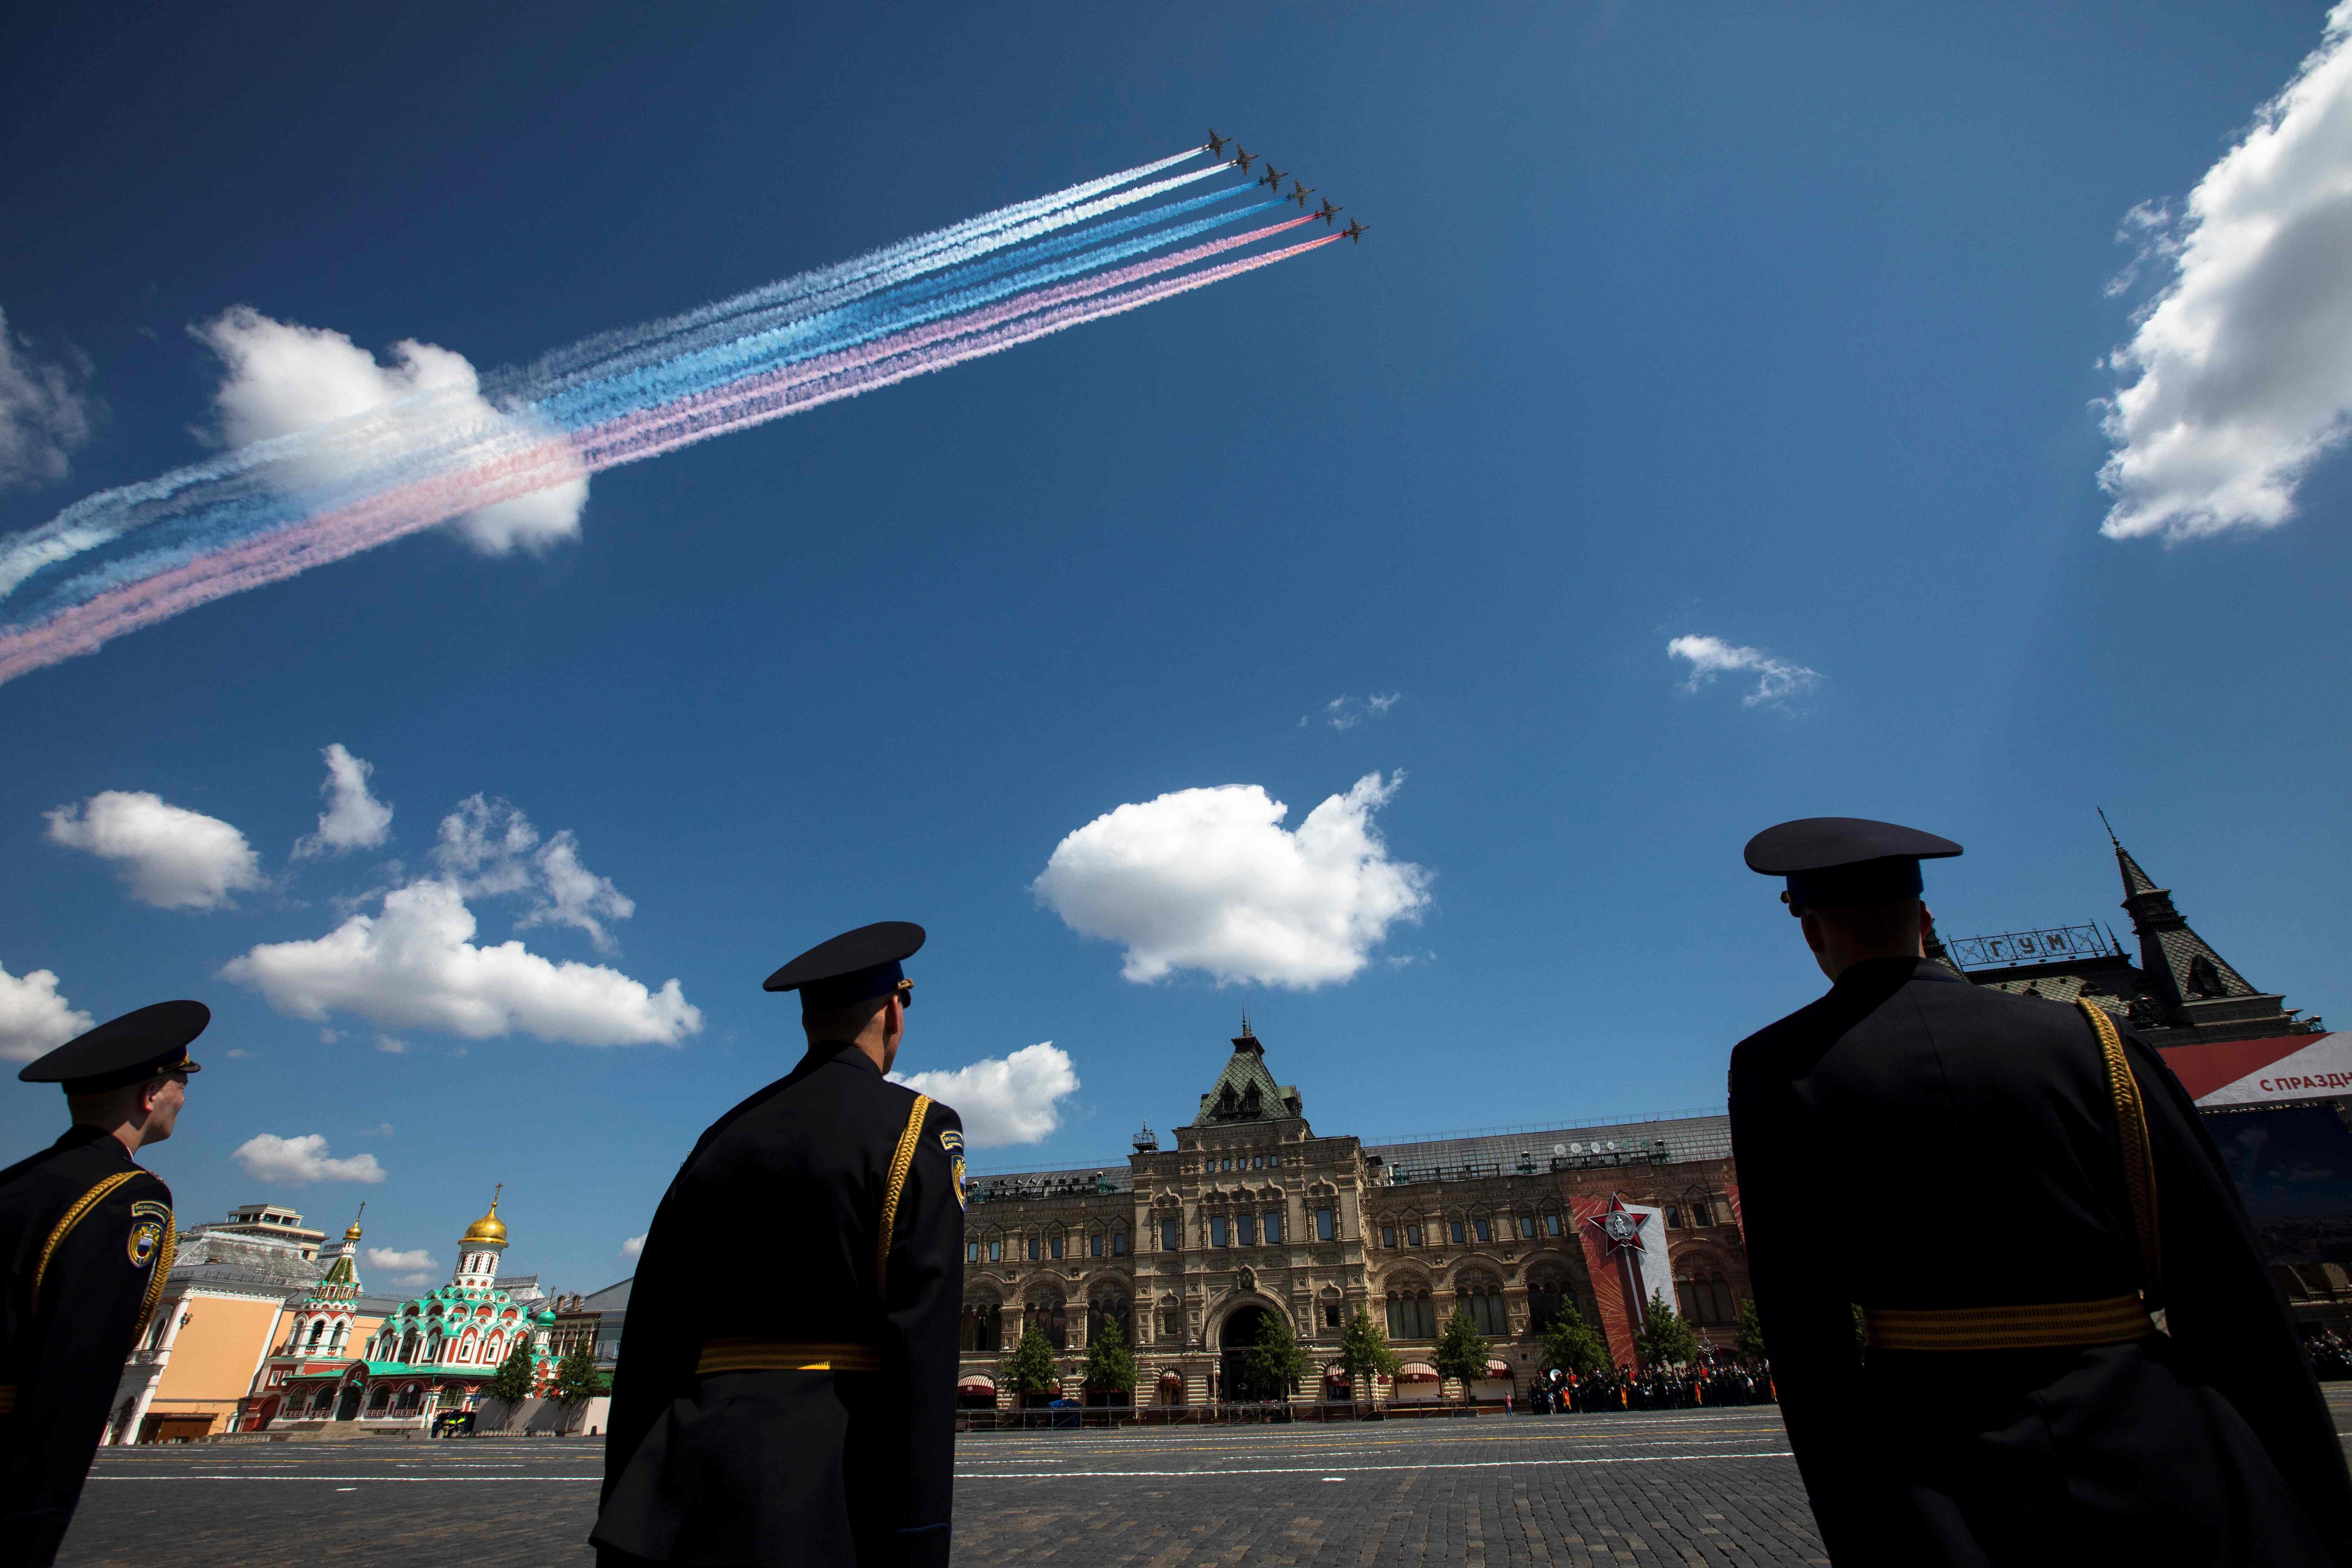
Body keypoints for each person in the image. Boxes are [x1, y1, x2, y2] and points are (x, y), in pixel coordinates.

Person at [1728, 817, 2352, 1566]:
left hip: (1938, 1465)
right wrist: (2316, 1506)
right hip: (2159, 1445)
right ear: (1926, 919)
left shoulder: (1779, 1069)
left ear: (1812, 932)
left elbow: (1805, 1329)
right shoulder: (2097, 1037)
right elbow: (2230, 1283)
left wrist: (1860, 1523)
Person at [593, 922, 964, 1568]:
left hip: (680, 1494)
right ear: (893, 1011)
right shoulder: (915, 1129)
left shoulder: (723, 1135)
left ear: (808, 1020)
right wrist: (918, 1538)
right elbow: (921, 1344)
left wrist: (628, 1507)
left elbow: (652, 1340)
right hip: (831, 1493)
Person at [1, 1000, 204, 1567]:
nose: (182, 1100)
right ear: (150, 1095)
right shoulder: (125, 1198)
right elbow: (79, 1358)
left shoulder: (18, 1183)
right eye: (178, 1085)